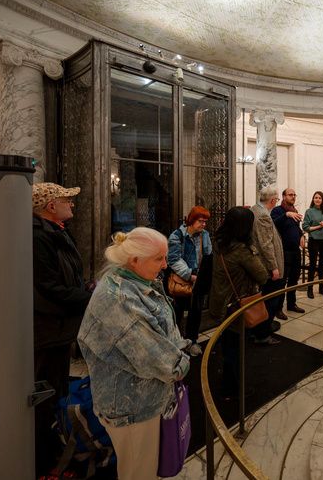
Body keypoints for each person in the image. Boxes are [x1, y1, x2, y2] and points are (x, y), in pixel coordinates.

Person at [78, 228, 190, 480]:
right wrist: (182, 364)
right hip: (132, 406)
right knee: (138, 472)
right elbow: (153, 355)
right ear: (134, 260)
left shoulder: (133, 281)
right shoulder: (119, 298)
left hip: (141, 398)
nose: (164, 265)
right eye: (158, 259)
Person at [31, 182, 93, 477]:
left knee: (56, 390)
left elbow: (67, 277)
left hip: (61, 326)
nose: (72, 204)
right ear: (50, 205)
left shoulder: (56, 232)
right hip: (48, 328)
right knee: (44, 394)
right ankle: (42, 462)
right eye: (67, 199)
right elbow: (48, 287)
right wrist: (89, 297)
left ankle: (54, 450)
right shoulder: (37, 237)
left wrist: (87, 287)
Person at [208, 207, 270, 395]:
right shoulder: (242, 250)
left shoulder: (219, 243)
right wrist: (253, 249)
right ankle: (232, 386)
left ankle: (228, 379)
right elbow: (262, 276)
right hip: (236, 305)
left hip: (221, 300)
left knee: (227, 343)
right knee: (234, 347)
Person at [166, 205, 212, 357]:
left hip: (198, 280)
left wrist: (204, 274)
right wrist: (189, 274)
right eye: (201, 221)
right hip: (182, 280)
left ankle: (192, 340)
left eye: (205, 221)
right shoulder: (177, 236)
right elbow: (173, 259)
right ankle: (176, 343)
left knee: (196, 312)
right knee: (177, 312)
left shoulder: (204, 235)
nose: (203, 224)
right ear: (192, 220)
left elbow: (208, 255)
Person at [250, 187, 285, 342]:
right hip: (268, 266)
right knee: (271, 300)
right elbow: (266, 244)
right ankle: (263, 333)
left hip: (260, 264)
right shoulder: (264, 215)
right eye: (277, 199)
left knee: (264, 298)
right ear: (272, 200)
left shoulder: (254, 209)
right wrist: (274, 267)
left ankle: (260, 328)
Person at [271, 188, 305, 314]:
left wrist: (301, 235)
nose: (293, 197)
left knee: (294, 280)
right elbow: (273, 224)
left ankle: (291, 304)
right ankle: (278, 308)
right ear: (284, 196)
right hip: (284, 251)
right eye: (290, 195)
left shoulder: (294, 211)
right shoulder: (277, 210)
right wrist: (286, 215)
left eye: (294, 195)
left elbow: (296, 228)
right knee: (282, 281)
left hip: (295, 251)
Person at [302, 191, 323, 299]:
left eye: (320, 198)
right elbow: (305, 227)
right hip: (313, 240)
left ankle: (321, 288)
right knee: (312, 265)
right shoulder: (309, 211)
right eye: (316, 197)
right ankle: (309, 289)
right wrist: (319, 227)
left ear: (322, 200)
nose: (318, 199)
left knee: (322, 264)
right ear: (313, 199)